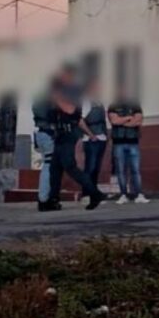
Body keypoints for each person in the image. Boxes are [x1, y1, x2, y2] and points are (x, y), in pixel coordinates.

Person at [48, 66, 105, 210]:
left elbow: (71, 110)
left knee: (70, 166)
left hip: (69, 133)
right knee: (54, 168)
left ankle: (94, 193)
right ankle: (52, 199)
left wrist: (57, 98)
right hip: (59, 134)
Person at [108, 90, 148, 204]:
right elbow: (114, 121)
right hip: (118, 142)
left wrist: (123, 121)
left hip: (133, 142)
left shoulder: (135, 104)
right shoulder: (113, 105)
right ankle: (123, 194)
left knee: (136, 169)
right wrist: (129, 118)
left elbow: (138, 121)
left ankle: (139, 194)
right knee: (121, 170)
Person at [32, 89, 59, 212]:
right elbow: (53, 117)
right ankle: (44, 199)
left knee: (47, 165)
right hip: (48, 133)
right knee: (49, 166)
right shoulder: (48, 101)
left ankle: (44, 198)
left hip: (41, 133)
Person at [81, 81, 109, 198]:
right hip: (91, 139)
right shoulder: (86, 102)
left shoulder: (100, 102)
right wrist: (91, 135)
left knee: (96, 167)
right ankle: (87, 193)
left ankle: (94, 191)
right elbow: (80, 121)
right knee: (90, 167)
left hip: (101, 137)